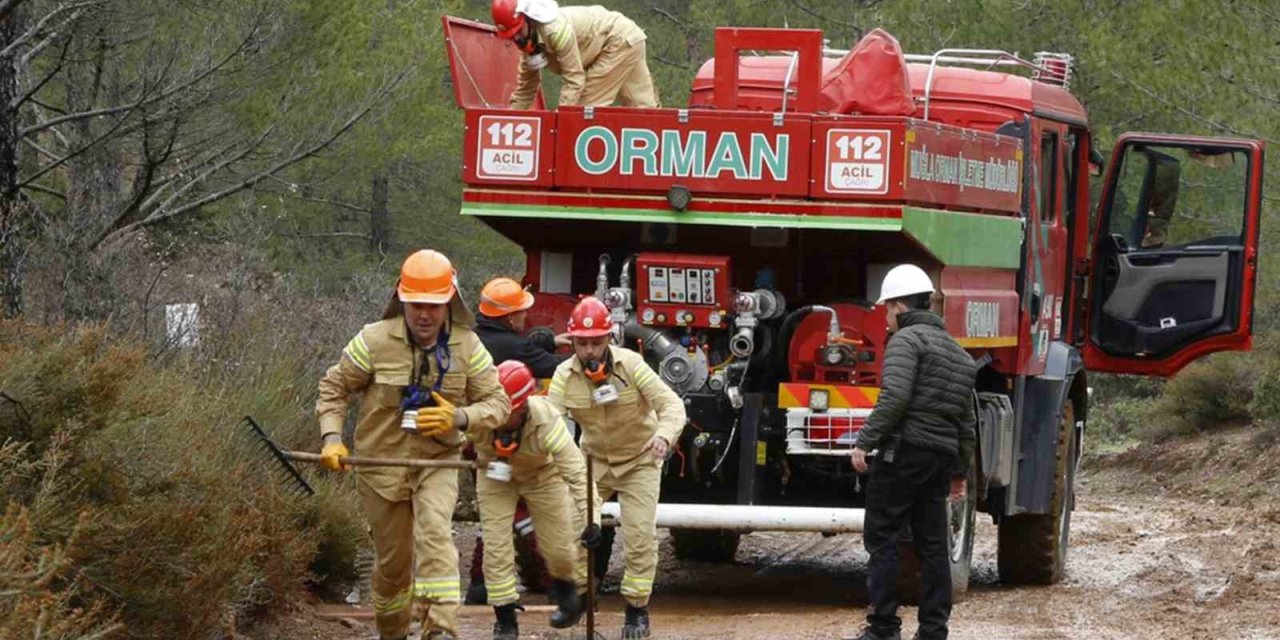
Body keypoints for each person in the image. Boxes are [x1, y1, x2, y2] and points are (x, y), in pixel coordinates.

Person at [316, 249, 511, 640]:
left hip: (438, 463)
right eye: (416, 305)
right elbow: (334, 388)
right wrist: (332, 438)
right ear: (401, 301)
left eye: (434, 306)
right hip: (379, 471)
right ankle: (393, 632)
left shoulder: (468, 348)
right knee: (393, 568)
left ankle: (439, 630)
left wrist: (459, 417)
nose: (425, 315)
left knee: (437, 537)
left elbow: (499, 404)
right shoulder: (372, 341)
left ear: (450, 304)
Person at [849, 264, 978, 640]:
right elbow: (966, 423)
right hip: (939, 458)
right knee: (933, 544)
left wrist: (864, 442)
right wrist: (959, 472)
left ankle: (884, 627)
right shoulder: (957, 353)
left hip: (904, 453)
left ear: (899, 307)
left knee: (882, 536)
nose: (886, 319)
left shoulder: (906, 341)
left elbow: (895, 397)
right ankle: (934, 631)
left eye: (887, 310)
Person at [547, 296, 686, 639]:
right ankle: (579, 598)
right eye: (583, 343)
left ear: (610, 338)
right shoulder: (564, 375)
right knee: (575, 530)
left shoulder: (632, 365)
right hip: (592, 461)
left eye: (597, 342)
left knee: (640, 536)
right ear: (573, 342)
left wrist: (664, 438)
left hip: (640, 460)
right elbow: (550, 423)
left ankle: (636, 609)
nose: (590, 350)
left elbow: (671, 405)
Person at [465, 276, 571, 604]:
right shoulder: (514, 347)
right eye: (522, 312)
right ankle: (550, 580)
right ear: (511, 318)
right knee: (524, 509)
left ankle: (480, 584)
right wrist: (588, 354)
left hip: (475, 440)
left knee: (495, 508)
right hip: (506, 443)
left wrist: (550, 341)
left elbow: (523, 348)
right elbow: (554, 368)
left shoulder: (470, 340)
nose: (526, 317)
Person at [473, 360, 589, 639]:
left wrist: (592, 519)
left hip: (542, 475)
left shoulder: (547, 420)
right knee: (496, 545)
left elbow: (577, 472)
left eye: (506, 410)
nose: (498, 415)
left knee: (559, 545)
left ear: (524, 406)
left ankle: (568, 596)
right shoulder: (480, 417)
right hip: (494, 476)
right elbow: (447, 439)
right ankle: (505, 618)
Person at [492, 0, 659, 110]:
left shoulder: (555, 31)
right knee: (644, 109)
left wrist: (560, 120)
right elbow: (526, 89)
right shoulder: (529, 46)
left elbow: (574, 80)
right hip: (628, 38)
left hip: (618, 40)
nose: (516, 39)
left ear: (528, 19)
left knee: (584, 111)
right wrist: (509, 120)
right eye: (510, 36)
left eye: (518, 31)